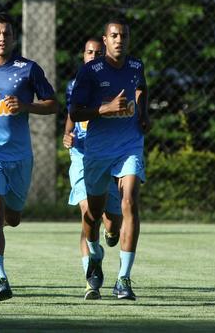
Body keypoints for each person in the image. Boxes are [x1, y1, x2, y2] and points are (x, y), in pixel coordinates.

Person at [0, 12, 58, 301]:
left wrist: (27, 106)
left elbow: (53, 104)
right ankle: (0, 278)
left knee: (12, 218)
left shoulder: (28, 69)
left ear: (13, 38)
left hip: (19, 155)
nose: (2, 38)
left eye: (7, 33)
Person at [70, 18, 150, 301]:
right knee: (92, 214)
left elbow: (140, 88)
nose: (120, 40)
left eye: (124, 36)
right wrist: (106, 108)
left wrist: (143, 114)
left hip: (129, 145)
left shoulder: (136, 66)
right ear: (105, 40)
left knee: (130, 199)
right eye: (114, 35)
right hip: (97, 150)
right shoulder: (90, 71)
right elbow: (76, 112)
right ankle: (93, 252)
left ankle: (124, 279)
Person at [63, 37, 123, 300]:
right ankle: (92, 275)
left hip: (106, 156)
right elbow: (71, 113)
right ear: (83, 55)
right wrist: (67, 135)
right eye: (90, 52)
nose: (94, 57)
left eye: (99, 53)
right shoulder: (76, 84)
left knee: (112, 221)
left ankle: (110, 233)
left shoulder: (114, 82)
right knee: (88, 212)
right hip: (81, 156)